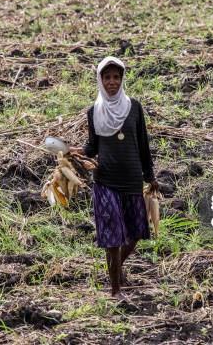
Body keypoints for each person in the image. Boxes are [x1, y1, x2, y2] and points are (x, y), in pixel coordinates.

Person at [70, 56, 159, 298]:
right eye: (107, 77)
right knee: (112, 237)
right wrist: (77, 153)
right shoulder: (94, 112)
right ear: (100, 80)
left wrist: (150, 176)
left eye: (116, 77)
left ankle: (117, 269)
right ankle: (115, 289)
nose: (112, 82)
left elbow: (143, 144)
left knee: (137, 232)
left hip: (131, 178)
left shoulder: (135, 108)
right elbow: (93, 146)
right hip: (105, 179)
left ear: (122, 79)